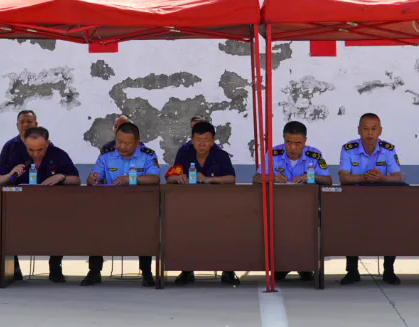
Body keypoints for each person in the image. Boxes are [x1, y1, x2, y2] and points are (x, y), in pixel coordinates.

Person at [0, 126, 80, 283]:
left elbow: (76, 180)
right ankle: (13, 268)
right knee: (5, 223)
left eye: (40, 149)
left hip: (53, 209)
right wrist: (10, 174)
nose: (35, 154)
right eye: (31, 150)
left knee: (60, 226)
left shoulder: (58, 155)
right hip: (22, 207)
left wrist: (61, 177)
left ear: (47, 143)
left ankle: (55, 266)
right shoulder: (17, 156)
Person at [83, 122, 160, 287]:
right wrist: (92, 179)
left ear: (137, 142)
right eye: (119, 141)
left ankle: (146, 272)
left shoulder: (147, 155)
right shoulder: (106, 156)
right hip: (110, 206)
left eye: (127, 143)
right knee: (95, 227)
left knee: (145, 231)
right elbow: (95, 175)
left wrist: (129, 179)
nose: (122, 146)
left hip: (139, 207)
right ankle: (94, 271)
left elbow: (154, 178)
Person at [252, 121, 331, 282]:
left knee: (306, 235)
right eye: (288, 142)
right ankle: (283, 266)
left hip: (306, 208)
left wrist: (309, 176)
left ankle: (305, 267)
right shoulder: (273, 154)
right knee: (281, 235)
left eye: (298, 143)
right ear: (283, 139)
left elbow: (328, 180)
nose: (293, 147)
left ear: (305, 141)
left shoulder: (314, 155)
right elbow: (256, 178)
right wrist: (272, 178)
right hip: (280, 208)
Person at [165, 121, 238, 286]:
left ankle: (228, 270)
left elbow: (231, 178)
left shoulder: (221, 155)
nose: (202, 144)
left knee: (223, 235)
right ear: (192, 140)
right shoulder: (184, 152)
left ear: (213, 141)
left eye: (206, 140)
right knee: (187, 235)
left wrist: (210, 179)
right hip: (189, 206)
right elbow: (170, 177)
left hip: (218, 206)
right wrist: (178, 178)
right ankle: (187, 270)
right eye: (198, 140)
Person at [337, 113, 402, 285]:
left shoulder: (388, 149)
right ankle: (352, 271)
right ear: (359, 130)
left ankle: (389, 270)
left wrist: (382, 178)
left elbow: (397, 176)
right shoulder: (348, 149)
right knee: (352, 230)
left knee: (390, 230)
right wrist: (365, 177)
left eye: (374, 129)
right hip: (355, 199)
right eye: (366, 129)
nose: (370, 133)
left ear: (380, 131)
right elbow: (343, 177)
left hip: (382, 199)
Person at [0, 110, 39, 178]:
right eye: (22, 122)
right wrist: (10, 175)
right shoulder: (9, 146)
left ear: (36, 125)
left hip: (40, 185)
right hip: (14, 184)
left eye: (29, 122)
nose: (25, 125)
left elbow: (55, 175)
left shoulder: (47, 147)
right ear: (17, 125)